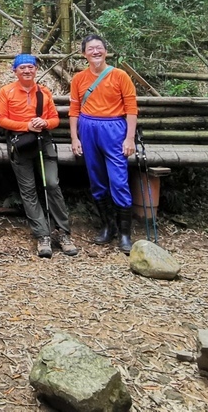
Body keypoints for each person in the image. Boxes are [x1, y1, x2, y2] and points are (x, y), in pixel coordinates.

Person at [0, 54, 78, 258]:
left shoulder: (43, 92)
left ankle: (64, 232)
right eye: (22, 67)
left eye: (30, 67)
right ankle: (43, 235)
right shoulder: (7, 92)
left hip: (43, 141)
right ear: (15, 71)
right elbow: (1, 119)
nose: (27, 71)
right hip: (20, 144)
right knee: (29, 190)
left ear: (35, 70)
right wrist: (26, 126)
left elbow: (54, 119)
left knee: (51, 183)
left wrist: (45, 123)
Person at [69, 34, 139, 254]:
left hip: (114, 129)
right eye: (90, 49)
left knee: (118, 180)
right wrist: (74, 137)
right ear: (84, 54)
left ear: (106, 51)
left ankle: (125, 233)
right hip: (88, 128)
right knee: (97, 179)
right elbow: (74, 110)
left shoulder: (120, 76)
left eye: (99, 48)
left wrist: (129, 138)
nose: (95, 52)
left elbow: (131, 108)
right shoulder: (79, 79)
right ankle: (107, 226)